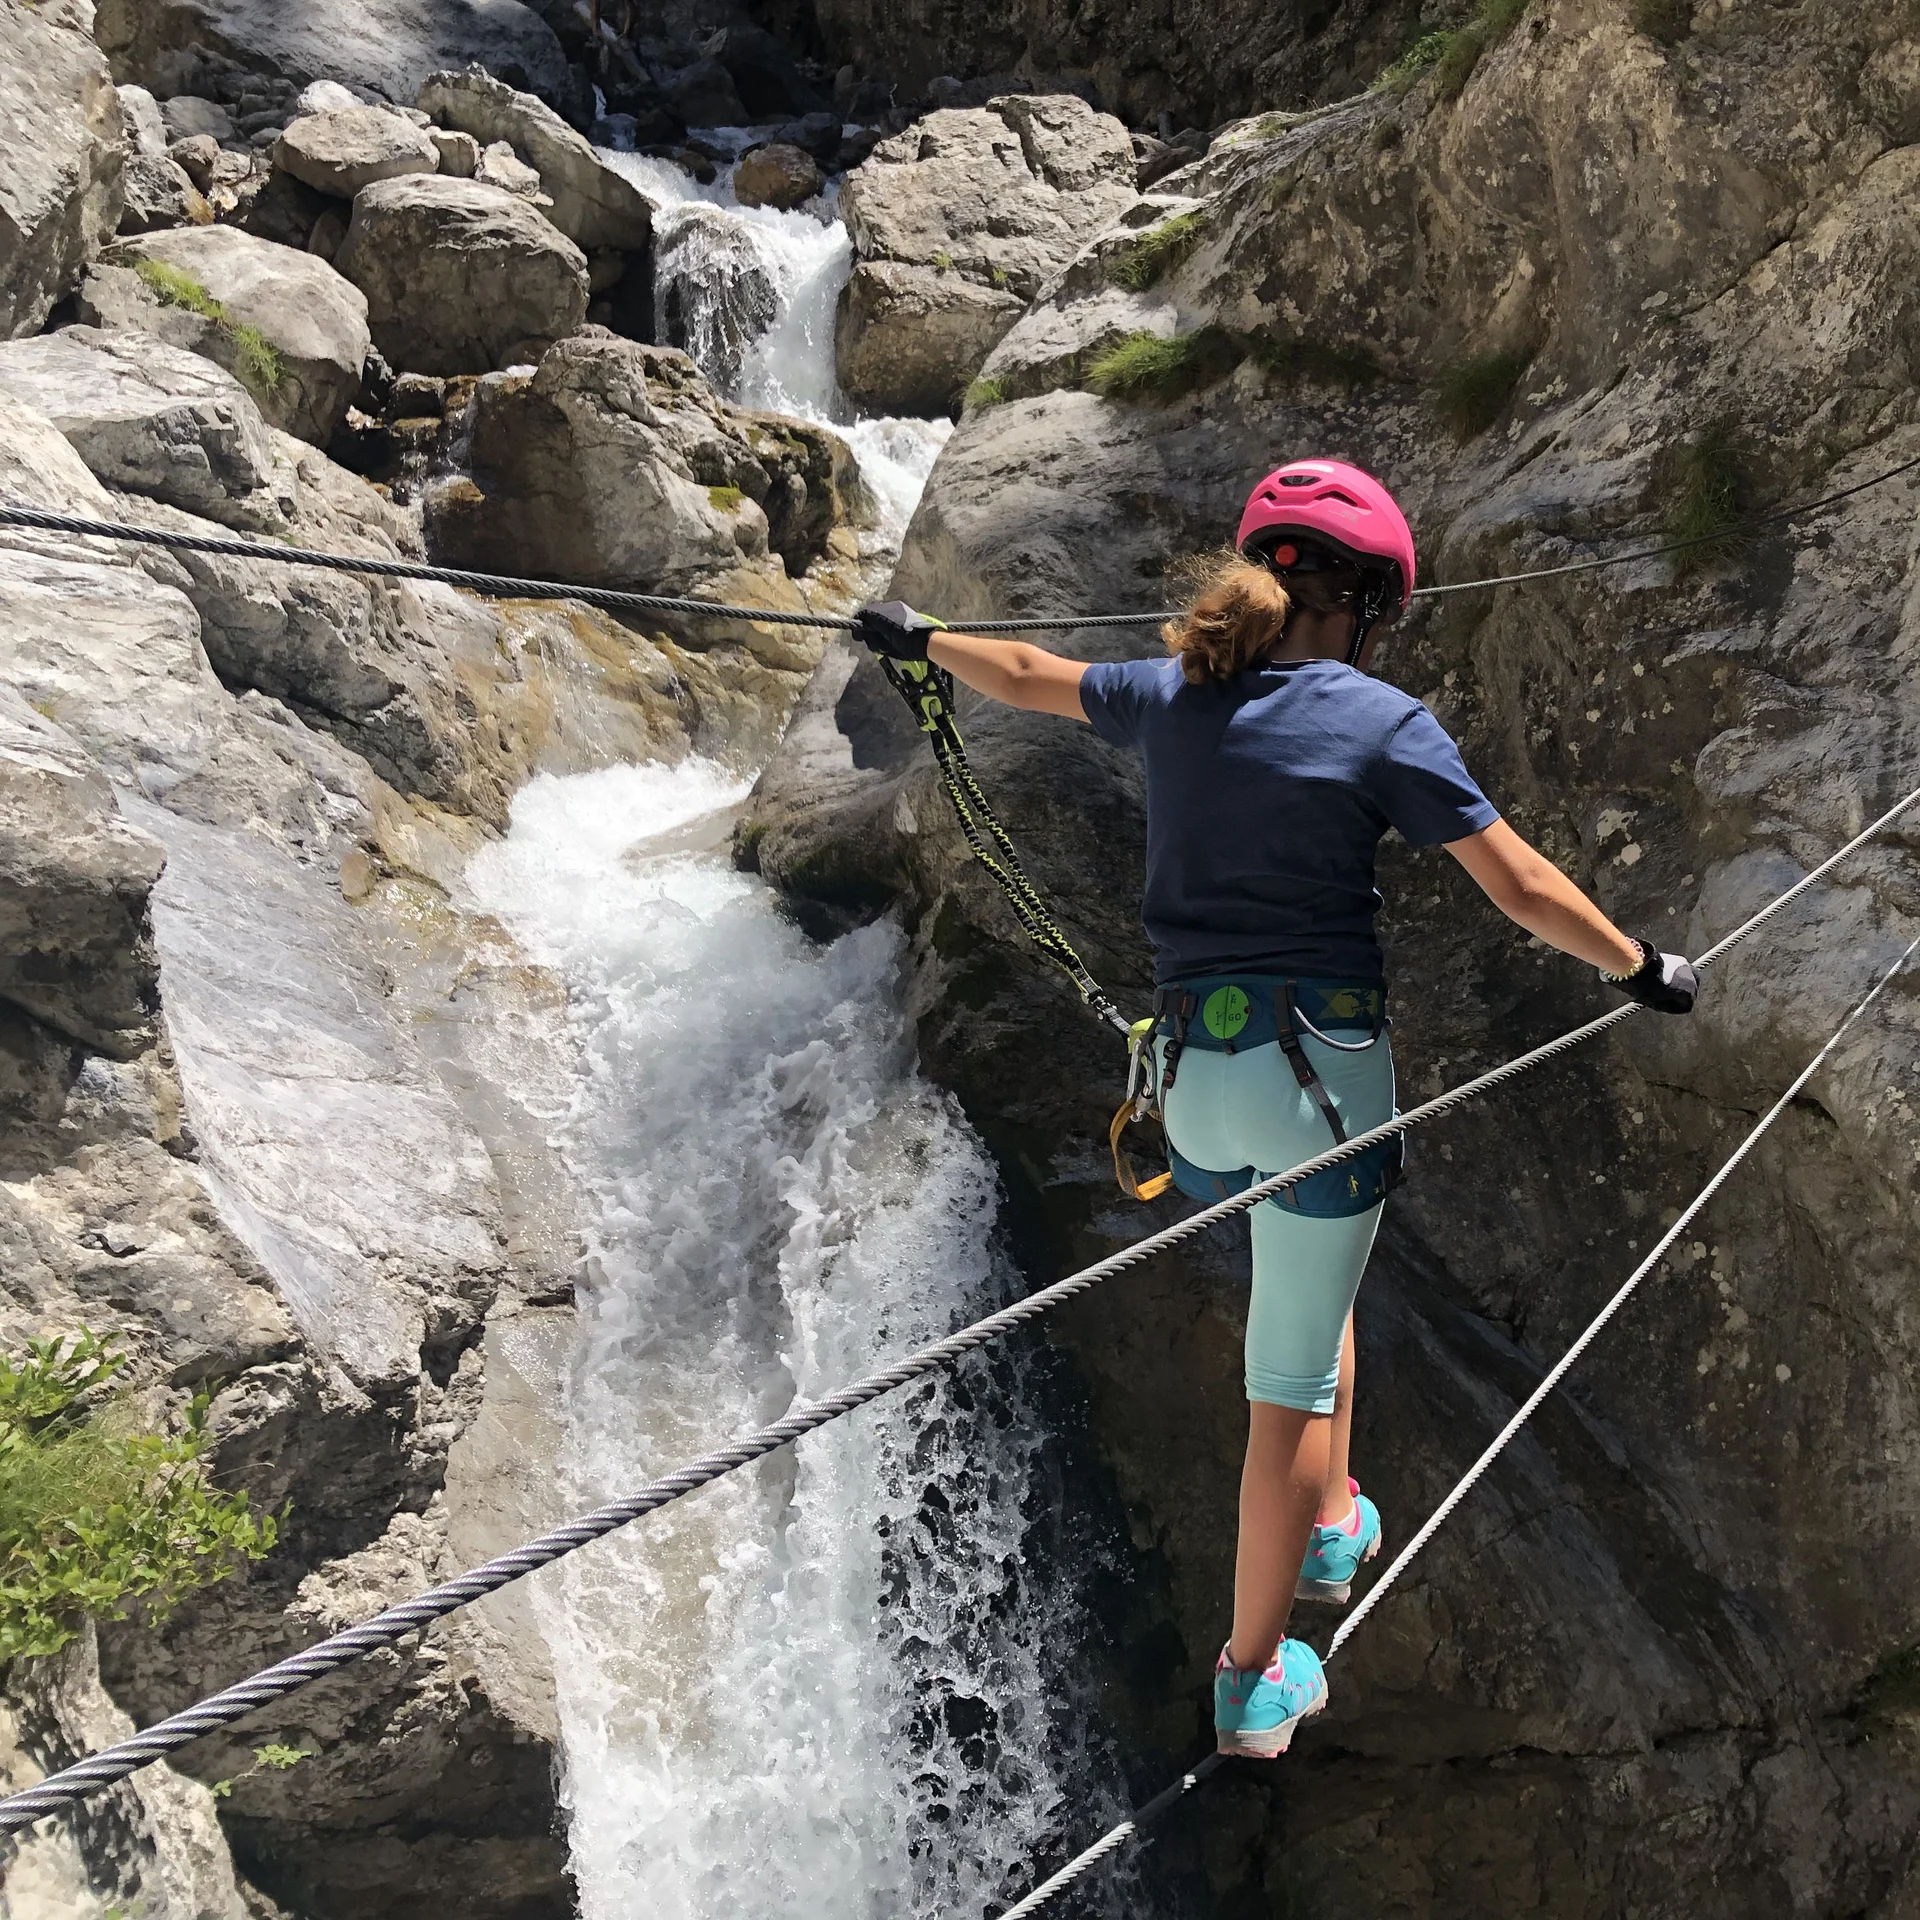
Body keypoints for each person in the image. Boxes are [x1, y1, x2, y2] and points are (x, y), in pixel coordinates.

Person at [852, 458, 1698, 1760]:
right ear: (1368, 606)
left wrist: (922, 639)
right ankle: (1254, 1677)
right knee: (1287, 1381)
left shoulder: (1172, 691)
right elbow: (1521, 886)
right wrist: (1639, 967)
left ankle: (1335, 1519)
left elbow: (1022, 673)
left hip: (1196, 1094)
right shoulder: (1381, 722)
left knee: (1315, 1291)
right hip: (1320, 1087)